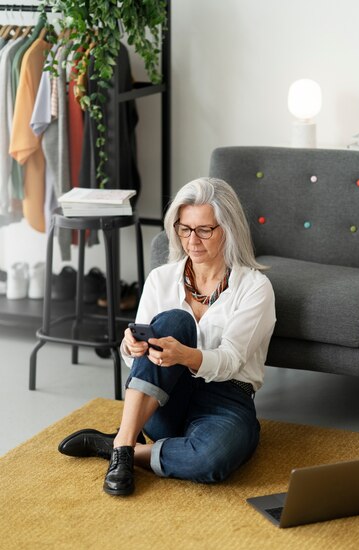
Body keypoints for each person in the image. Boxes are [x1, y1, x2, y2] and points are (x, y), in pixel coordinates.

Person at [58, 177, 276, 496]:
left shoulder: (255, 287)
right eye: (184, 229)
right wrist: (130, 346)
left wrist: (185, 355)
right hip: (163, 399)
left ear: (228, 230)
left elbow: (231, 361)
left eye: (204, 230)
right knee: (175, 321)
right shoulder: (161, 278)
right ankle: (127, 442)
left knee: (213, 459)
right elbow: (138, 359)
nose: (192, 241)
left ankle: (122, 448)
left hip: (227, 397)